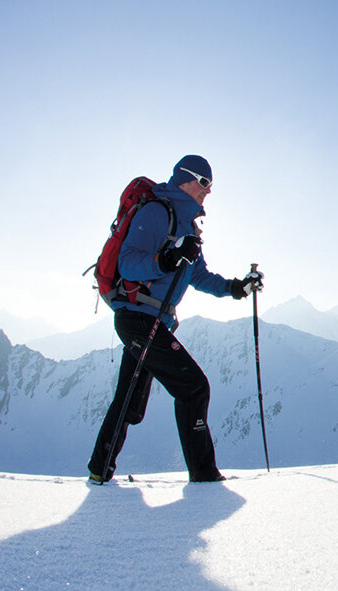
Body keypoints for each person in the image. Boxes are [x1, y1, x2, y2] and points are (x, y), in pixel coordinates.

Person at [87, 155, 263, 483]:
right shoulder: (157, 212)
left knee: (128, 400)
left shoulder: (186, 226)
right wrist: (165, 260)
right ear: (185, 178)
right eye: (204, 183)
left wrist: (236, 288)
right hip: (138, 318)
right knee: (194, 388)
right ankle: (204, 476)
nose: (208, 191)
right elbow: (129, 265)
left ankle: (99, 471)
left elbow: (199, 276)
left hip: (150, 320)